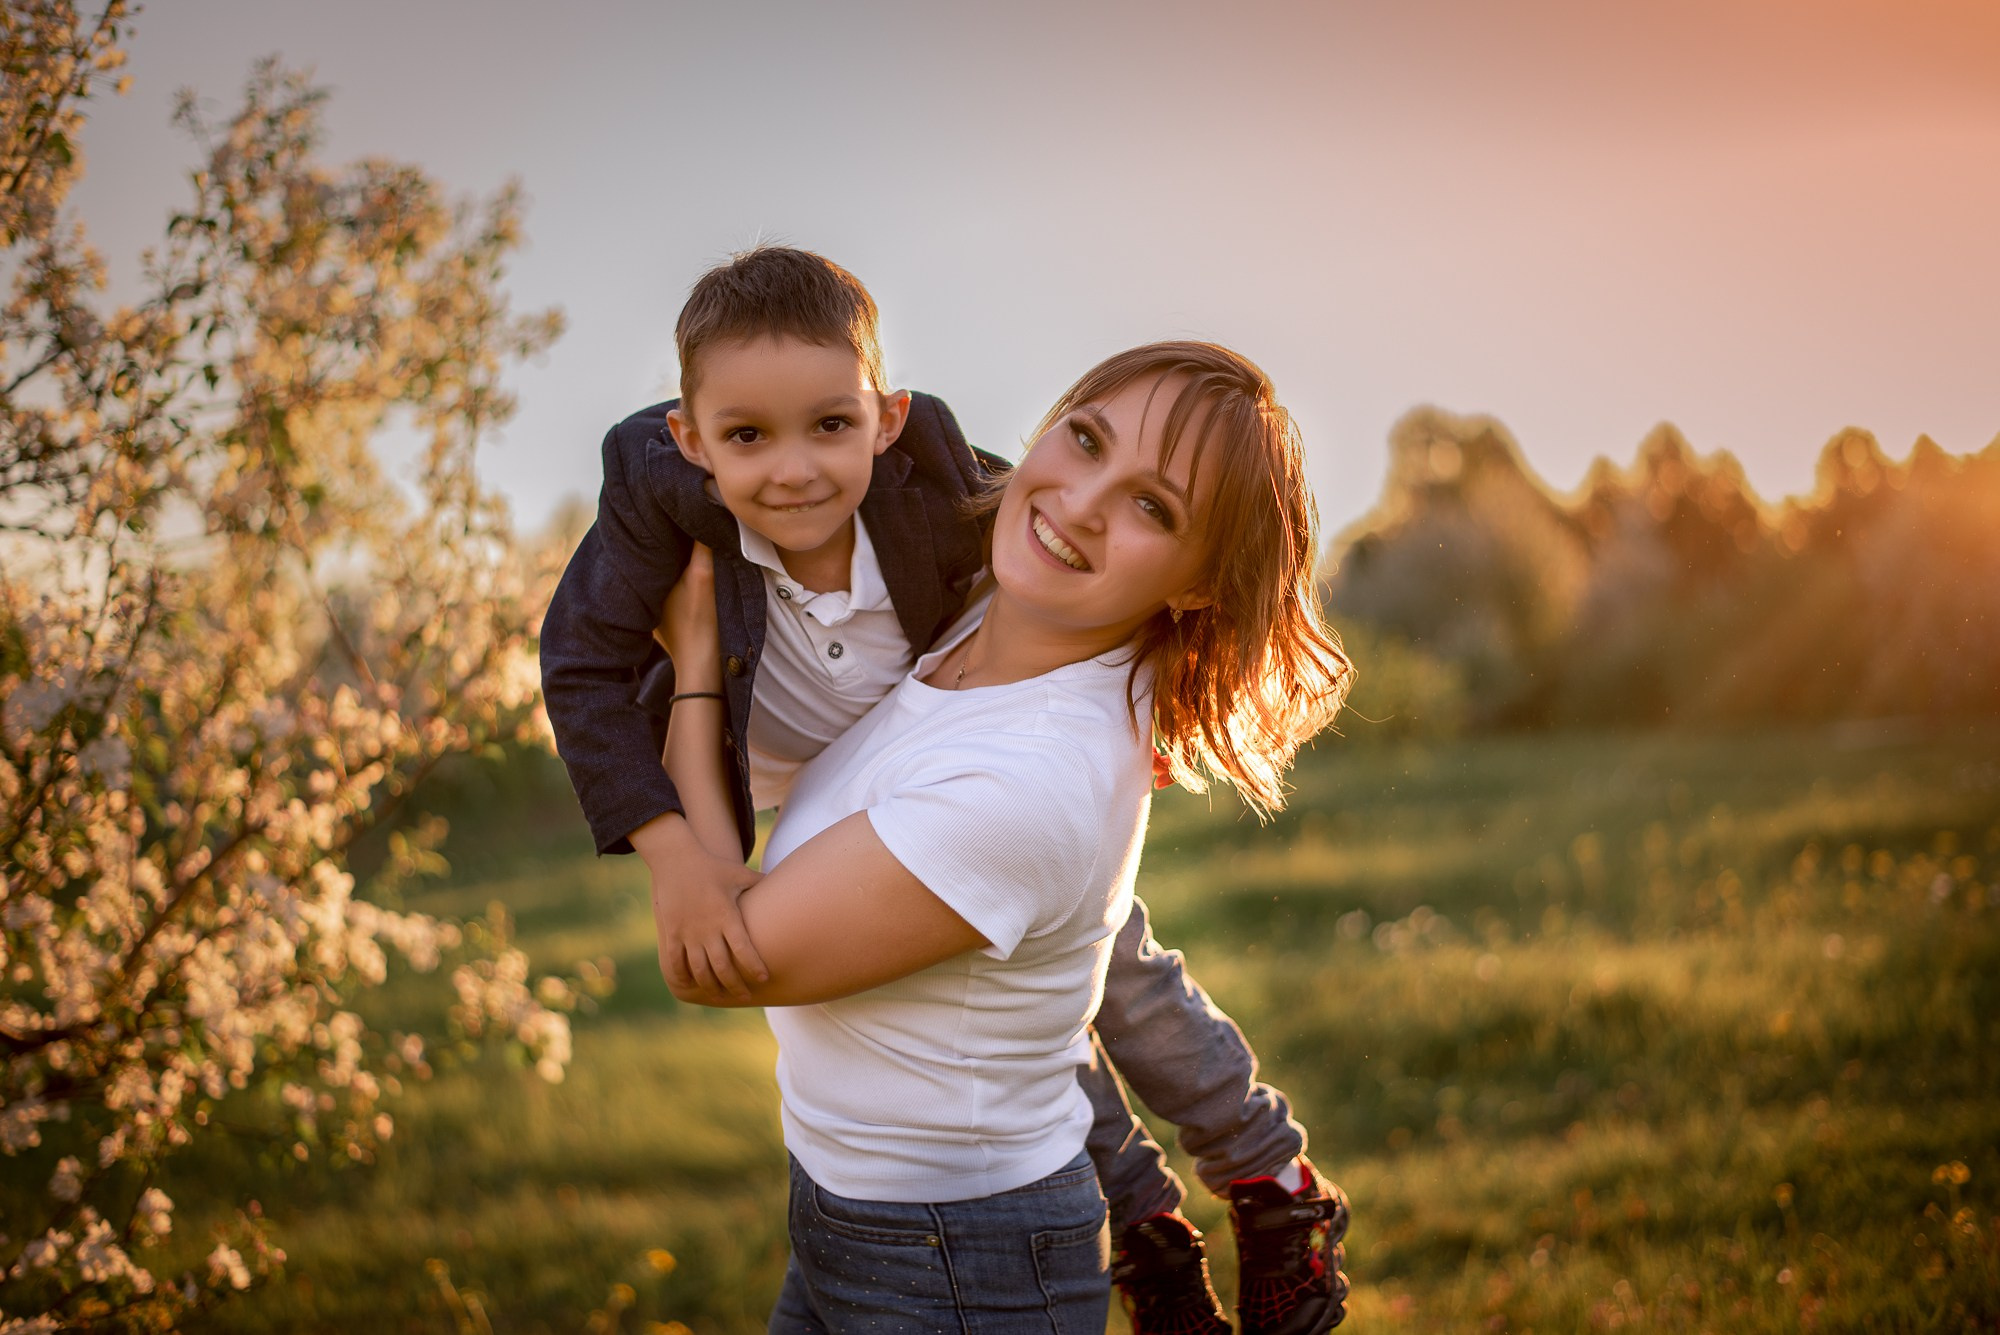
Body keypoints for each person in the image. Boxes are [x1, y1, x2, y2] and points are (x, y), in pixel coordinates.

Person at [539, 248, 1351, 1332]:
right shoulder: (994, 586)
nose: (1074, 502)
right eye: (1083, 439)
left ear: (884, 419)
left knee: (1108, 967)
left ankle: (1246, 1188)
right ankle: (1153, 1218)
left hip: (954, 1260)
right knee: (1071, 974)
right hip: (852, 1218)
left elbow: (721, 964)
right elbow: (586, 655)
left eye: (1151, 506)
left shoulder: (1023, 757)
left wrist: (692, 673)